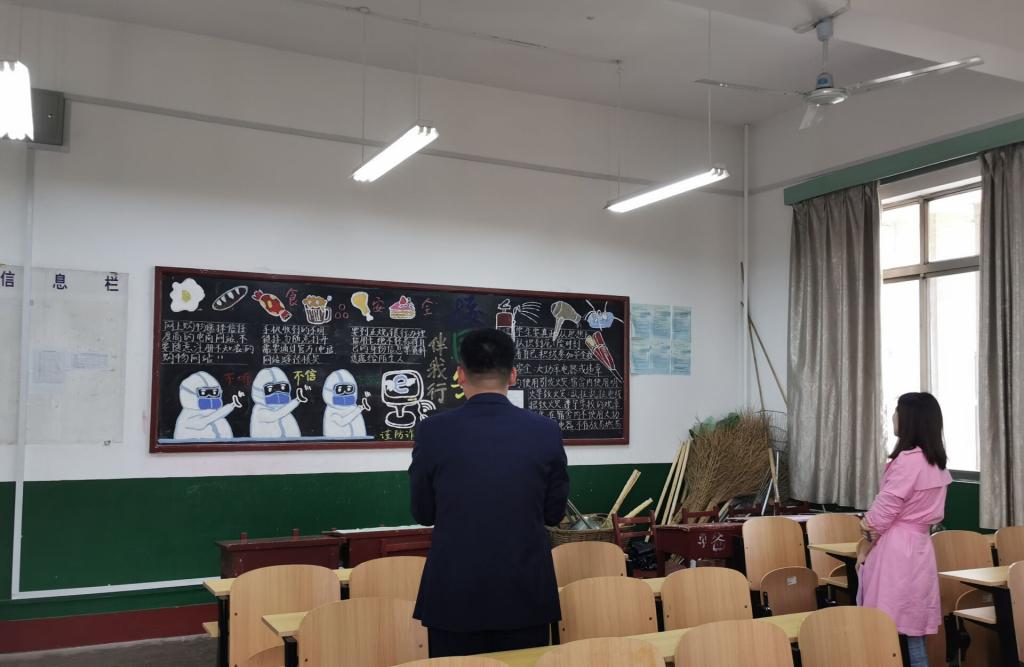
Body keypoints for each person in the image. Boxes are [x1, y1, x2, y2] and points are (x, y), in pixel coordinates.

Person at [408, 328, 569, 657]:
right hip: (525, 591)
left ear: (460, 374)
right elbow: (554, 514)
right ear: (513, 375)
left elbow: (423, 512)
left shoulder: (432, 431)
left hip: (453, 594)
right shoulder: (546, 431)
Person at [857, 392, 953, 667]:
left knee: (882, 623)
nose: (893, 416)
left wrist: (864, 539)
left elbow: (882, 513)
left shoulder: (908, 461)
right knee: (913, 629)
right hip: (921, 547)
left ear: (910, 419)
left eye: (897, 411)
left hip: (895, 549)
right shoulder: (936, 462)